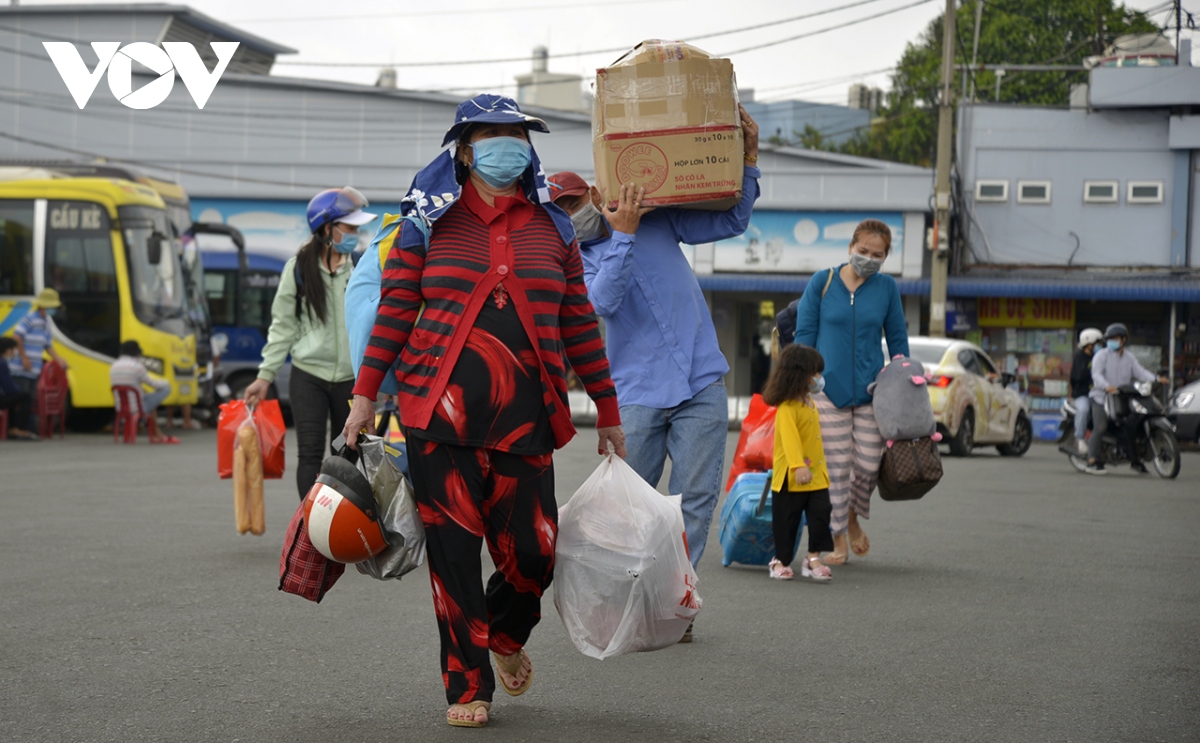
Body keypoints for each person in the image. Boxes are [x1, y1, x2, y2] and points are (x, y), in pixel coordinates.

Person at [340, 94, 625, 729]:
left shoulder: (552, 225)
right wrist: (365, 395)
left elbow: (578, 319)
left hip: (528, 417)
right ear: (465, 151)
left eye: (518, 135)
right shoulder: (427, 222)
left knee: (535, 554)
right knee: (454, 558)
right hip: (436, 416)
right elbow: (393, 312)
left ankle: (503, 632)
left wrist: (607, 407)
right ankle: (466, 685)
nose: (509, 146)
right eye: (494, 136)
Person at [546, 104, 761, 642]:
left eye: (575, 201)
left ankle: (673, 605)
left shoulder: (660, 218)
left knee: (693, 501)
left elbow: (732, 219)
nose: (572, 213)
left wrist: (749, 158)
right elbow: (603, 301)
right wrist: (620, 235)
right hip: (636, 395)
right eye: (560, 209)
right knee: (628, 511)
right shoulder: (574, 258)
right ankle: (621, 601)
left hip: (701, 380)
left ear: (595, 193)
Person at [244, 187, 375, 498]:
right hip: (308, 376)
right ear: (327, 228)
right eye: (350, 227)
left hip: (351, 379)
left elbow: (375, 322)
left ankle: (338, 524)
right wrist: (265, 377)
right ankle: (309, 529)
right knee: (310, 455)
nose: (356, 233)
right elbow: (283, 327)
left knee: (347, 453)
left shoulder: (361, 266)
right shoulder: (298, 269)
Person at [792, 219, 909, 565]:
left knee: (868, 465)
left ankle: (853, 515)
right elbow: (804, 334)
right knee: (837, 469)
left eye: (877, 255)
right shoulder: (822, 282)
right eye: (863, 251)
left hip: (873, 390)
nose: (869, 259)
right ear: (850, 247)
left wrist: (905, 378)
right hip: (826, 390)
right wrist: (803, 382)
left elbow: (898, 339)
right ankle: (839, 539)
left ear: (886, 257)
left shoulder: (886, 289)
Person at [762, 343, 833, 582]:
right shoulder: (787, 407)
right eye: (815, 373)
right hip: (791, 477)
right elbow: (789, 439)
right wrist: (797, 465)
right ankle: (779, 560)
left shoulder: (809, 402)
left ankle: (813, 557)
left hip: (816, 476)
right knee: (787, 521)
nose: (819, 379)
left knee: (821, 514)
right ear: (800, 374)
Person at [1086, 323, 1169, 474]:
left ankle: (1135, 459)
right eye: (1110, 339)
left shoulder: (1129, 357)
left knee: (1131, 426)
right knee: (1101, 427)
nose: (1112, 341)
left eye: (1115, 338)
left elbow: (1140, 373)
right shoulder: (1101, 355)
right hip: (1101, 397)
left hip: (1122, 397)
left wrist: (1157, 379)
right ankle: (1091, 460)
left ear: (1124, 339)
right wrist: (1106, 386)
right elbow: (1096, 375)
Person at [8, 288, 69, 433]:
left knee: (30, 399)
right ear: (44, 306)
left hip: (33, 369)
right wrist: (24, 358)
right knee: (21, 399)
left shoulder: (46, 322)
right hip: (21, 368)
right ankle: (16, 428)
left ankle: (24, 429)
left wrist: (59, 360)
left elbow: (48, 345)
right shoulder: (29, 319)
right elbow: (17, 337)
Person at [110, 340, 178, 444]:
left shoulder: (114, 366)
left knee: (149, 399)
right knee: (165, 389)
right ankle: (158, 435)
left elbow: (126, 385)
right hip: (137, 406)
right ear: (136, 353)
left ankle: (157, 434)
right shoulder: (137, 367)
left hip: (121, 406)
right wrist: (166, 382)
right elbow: (154, 384)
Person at [1068, 328, 1103, 456]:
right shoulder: (1080, 357)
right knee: (1084, 410)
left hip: (1099, 394)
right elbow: (1078, 376)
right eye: (1097, 343)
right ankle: (1080, 438)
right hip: (1083, 394)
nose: (1099, 346)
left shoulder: (1099, 356)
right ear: (1089, 344)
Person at [0, 337, 36, 440]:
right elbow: (9, 387)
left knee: (16, 399)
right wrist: (18, 394)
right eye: (14, 349)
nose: (15, 352)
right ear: (8, 350)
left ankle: (13, 428)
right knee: (25, 396)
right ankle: (21, 429)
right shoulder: (2, 363)